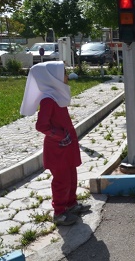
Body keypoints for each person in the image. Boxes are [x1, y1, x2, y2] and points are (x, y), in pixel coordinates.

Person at [20, 61, 91, 226]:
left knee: (71, 175)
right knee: (61, 179)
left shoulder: (57, 95)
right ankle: (59, 212)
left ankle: (71, 204)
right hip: (57, 148)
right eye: (64, 73)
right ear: (53, 77)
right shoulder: (48, 100)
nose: (67, 77)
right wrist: (59, 136)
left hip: (67, 145)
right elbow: (41, 126)